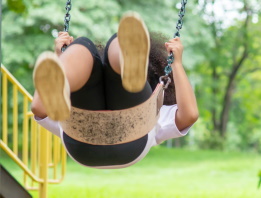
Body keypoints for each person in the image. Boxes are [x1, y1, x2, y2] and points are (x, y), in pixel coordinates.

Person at [31, 12, 198, 169]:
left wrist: (60, 57)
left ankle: (64, 77)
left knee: (82, 45)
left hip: (81, 144)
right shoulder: (157, 111)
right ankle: (124, 58)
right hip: (131, 143)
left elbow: (39, 108)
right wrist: (176, 64)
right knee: (115, 43)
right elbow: (189, 115)